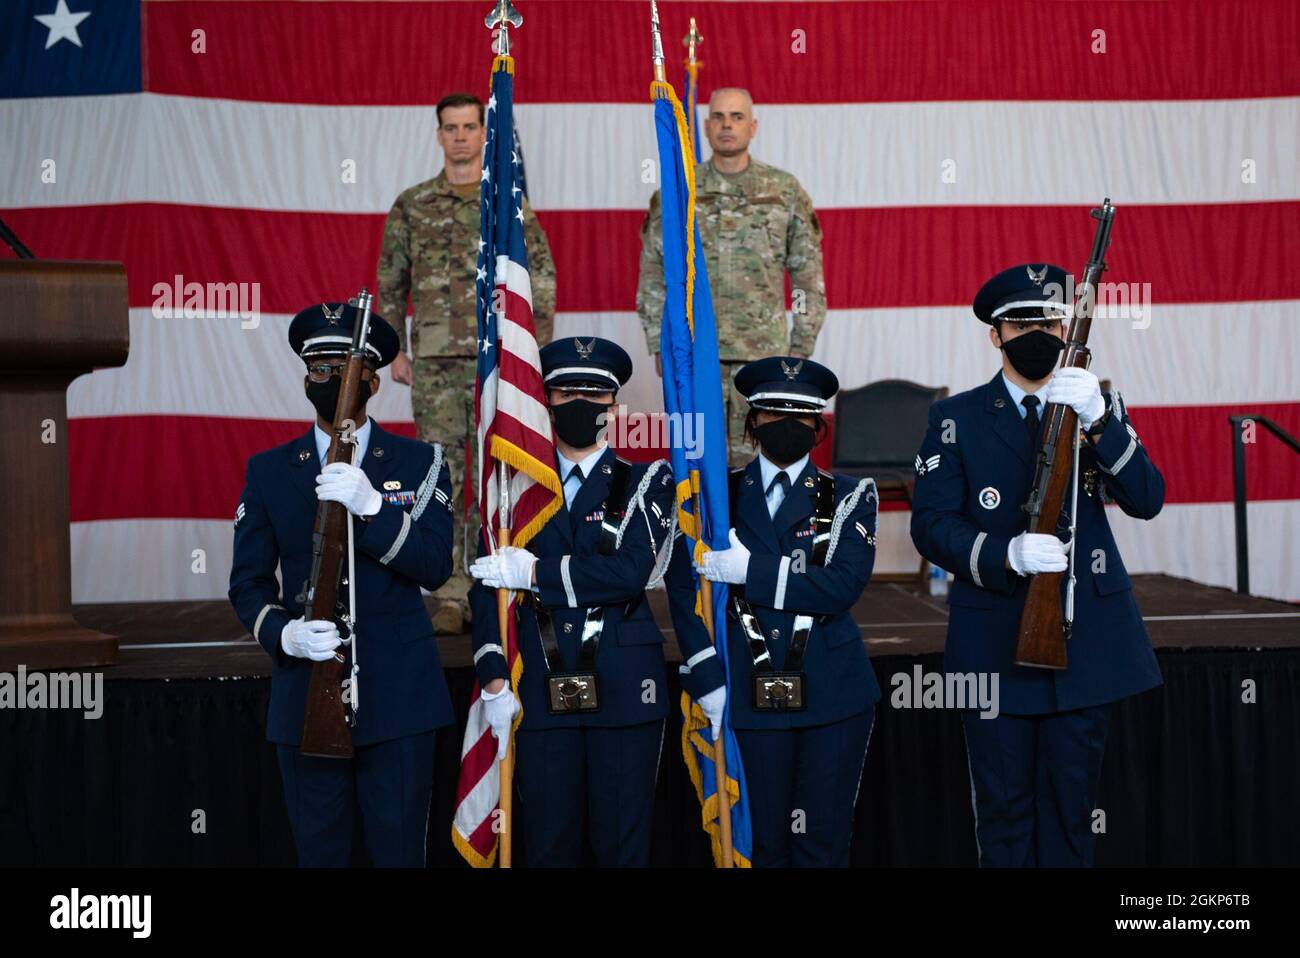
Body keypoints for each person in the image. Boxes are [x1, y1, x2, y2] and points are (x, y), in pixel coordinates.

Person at [909, 263, 1165, 867]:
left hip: (1085, 642)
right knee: (1002, 813)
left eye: (1048, 321)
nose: (1037, 333)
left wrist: (1101, 419)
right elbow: (931, 525)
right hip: (994, 642)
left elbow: (1148, 499)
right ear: (994, 336)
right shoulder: (956, 420)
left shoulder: (1096, 406)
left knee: (1072, 812)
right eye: (1020, 324)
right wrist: (1005, 554)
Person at [466, 336, 723, 866]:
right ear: (545, 402)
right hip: (535, 681)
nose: (580, 405)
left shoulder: (647, 482)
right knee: (547, 845)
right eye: (565, 394)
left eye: (595, 395)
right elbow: (484, 585)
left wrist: (534, 572)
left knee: (622, 847)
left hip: (625, 690)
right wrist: (492, 676)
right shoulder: (513, 486)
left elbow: (628, 574)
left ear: (613, 407)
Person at [228, 301, 455, 867]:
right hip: (307, 695)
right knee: (320, 857)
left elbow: (434, 566)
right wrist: (285, 635)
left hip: (399, 700)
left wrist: (374, 507)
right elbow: (248, 583)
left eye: (344, 369)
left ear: (373, 381)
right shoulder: (271, 470)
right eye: (319, 369)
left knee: (400, 855)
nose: (330, 381)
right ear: (306, 377)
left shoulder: (422, 462)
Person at [675, 356, 881, 866]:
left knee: (822, 842)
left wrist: (756, 572)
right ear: (751, 422)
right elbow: (684, 590)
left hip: (831, 692)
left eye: (799, 415)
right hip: (745, 687)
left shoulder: (851, 496)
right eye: (772, 413)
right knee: (759, 840)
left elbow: (841, 588)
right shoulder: (714, 497)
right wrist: (705, 675)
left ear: (818, 427)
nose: (786, 424)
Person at [377, 91, 557, 635]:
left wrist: (534, 351)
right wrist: (395, 351)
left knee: (498, 472)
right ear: (438, 135)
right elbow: (390, 282)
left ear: (485, 134)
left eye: (468, 127)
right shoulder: (413, 204)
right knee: (445, 478)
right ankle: (453, 593)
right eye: (449, 127)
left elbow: (539, 279)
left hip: (498, 361)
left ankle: (497, 581)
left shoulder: (506, 203)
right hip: (433, 364)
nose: (459, 136)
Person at [636, 87, 826, 466]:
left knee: (761, 465)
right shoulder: (679, 192)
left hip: (763, 355)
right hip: (694, 351)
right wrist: (659, 341)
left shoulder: (784, 191)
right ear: (705, 127)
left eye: (737, 117)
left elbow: (807, 273)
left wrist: (802, 343)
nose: (727, 125)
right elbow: (655, 269)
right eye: (719, 117)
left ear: (753, 127)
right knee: (697, 466)